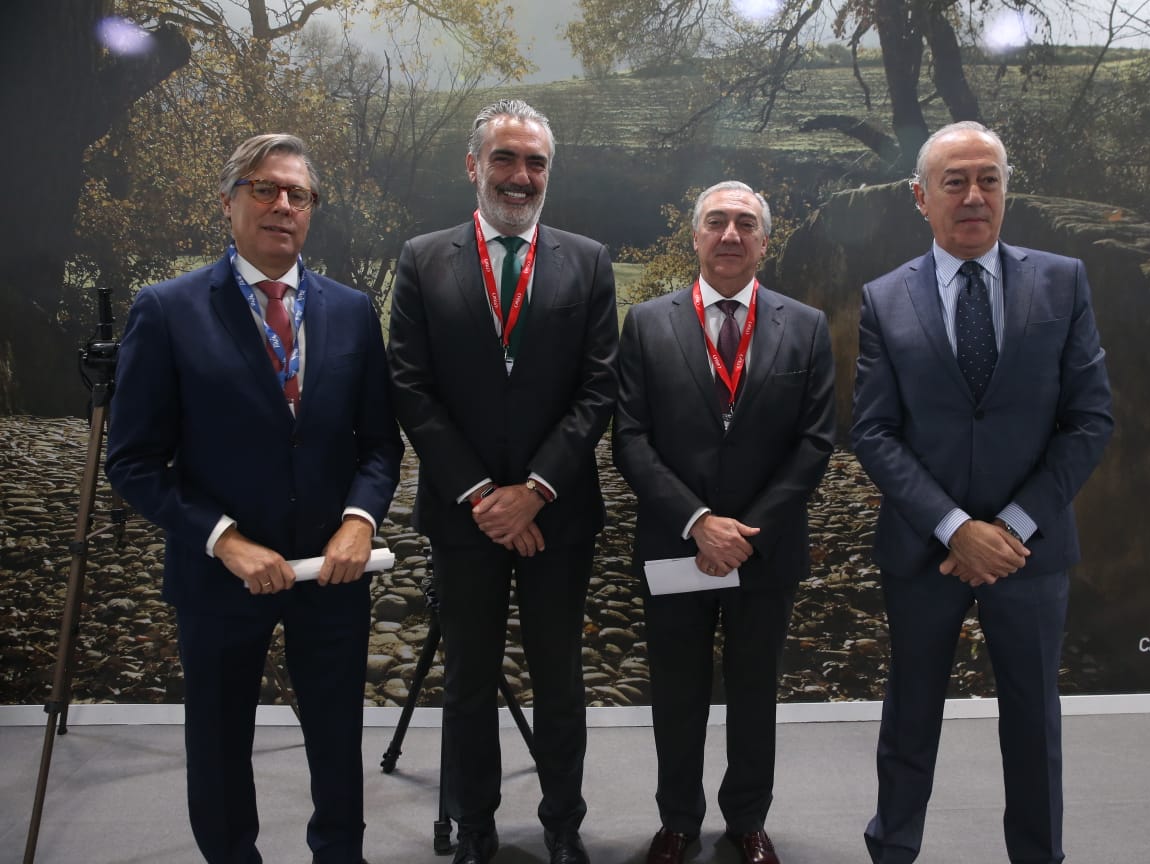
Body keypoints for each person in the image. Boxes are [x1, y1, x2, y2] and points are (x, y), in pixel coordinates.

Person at [105, 133, 404, 864]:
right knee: (218, 742)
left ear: (311, 211)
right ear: (228, 202)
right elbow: (134, 461)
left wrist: (361, 522)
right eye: (263, 189)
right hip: (219, 577)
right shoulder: (167, 310)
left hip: (332, 575)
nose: (281, 206)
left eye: (297, 194)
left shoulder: (354, 311)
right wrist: (225, 541)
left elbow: (379, 444)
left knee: (336, 740)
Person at [851, 121, 1115, 863]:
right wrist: (954, 527)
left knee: (1033, 725)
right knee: (910, 718)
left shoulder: (1063, 282)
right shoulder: (882, 298)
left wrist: (1014, 526)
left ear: (1006, 189)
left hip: (1031, 554)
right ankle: (893, 849)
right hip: (924, 552)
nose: (973, 196)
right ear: (920, 197)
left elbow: (1090, 420)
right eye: (955, 181)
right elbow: (873, 432)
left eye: (988, 180)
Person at [386, 99, 618, 864]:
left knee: (560, 680)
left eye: (536, 163)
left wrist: (537, 489)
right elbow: (411, 389)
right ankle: (475, 827)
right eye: (506, 160)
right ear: (473, 165)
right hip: (465, 516)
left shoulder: (588, 260)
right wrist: (485, 496)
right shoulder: (422, 258)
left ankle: (562, 825)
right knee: (468, 682)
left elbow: (597, 389)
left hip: (559, 513)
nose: (521, 178)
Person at [613, 181, 836, 864]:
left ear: (765, 241)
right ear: (696, 236)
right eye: (717, 222)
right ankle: (677, 819)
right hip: (677, 546)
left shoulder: (806, 325)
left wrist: (745, 533)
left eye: (746, 224)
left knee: (754, 693)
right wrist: (700, 521)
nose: (731, 235)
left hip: (764, 554)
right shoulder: (648, 324)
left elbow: (815, 441)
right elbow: (631, 439)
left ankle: (747, 822)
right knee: (675, 693)